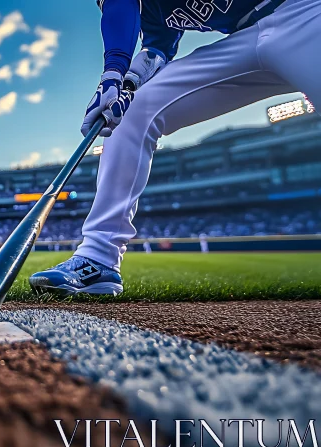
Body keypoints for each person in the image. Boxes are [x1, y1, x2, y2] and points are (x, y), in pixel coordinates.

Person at [30, 0, 320, 296]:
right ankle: (98, 257)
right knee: (133, 112)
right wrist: (129, 81)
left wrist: (113, 73)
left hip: (305, 13)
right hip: (246, 38)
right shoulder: (155, 13)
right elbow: (158, 49)